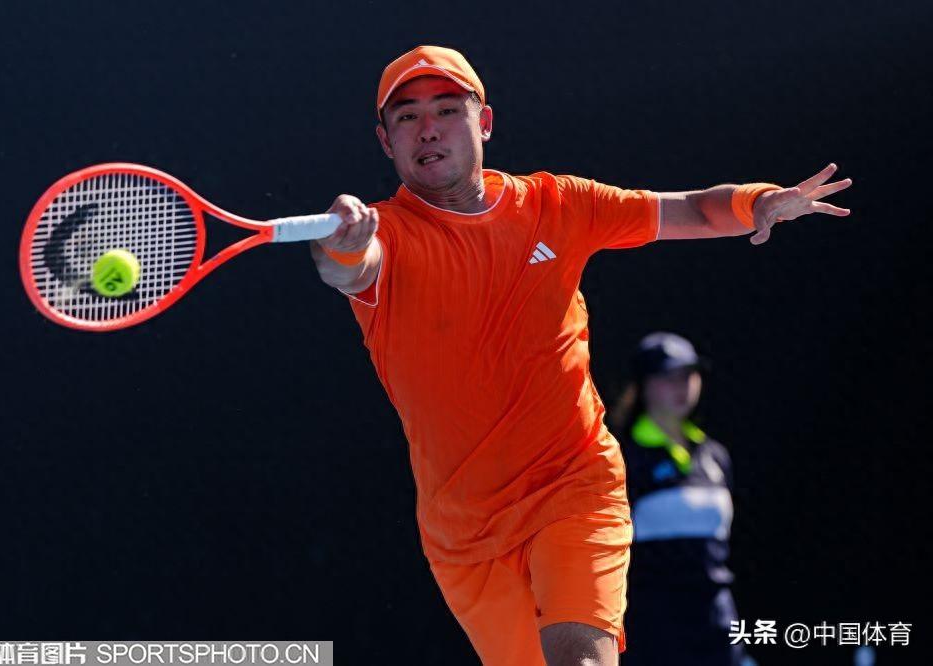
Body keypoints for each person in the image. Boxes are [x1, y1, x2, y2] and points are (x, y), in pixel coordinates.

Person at [308, 45, 852, 666]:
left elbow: (696, 208)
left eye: (447, 109)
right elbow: (348, 267)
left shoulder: (559, 204)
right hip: (465, 535)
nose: (428, 128)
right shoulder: (384, 234)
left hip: (573, 486)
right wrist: (341, 243)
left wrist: (758, 202)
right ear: (386, 141)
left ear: (485, 123)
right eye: (407, 117)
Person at [614, 332, 750, 666]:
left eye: (689, 374)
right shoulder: (622, 459)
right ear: (644, 385)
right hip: (654, 626)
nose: (682, 386)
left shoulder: (715, 456)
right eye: (668, 376)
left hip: (718, 622)